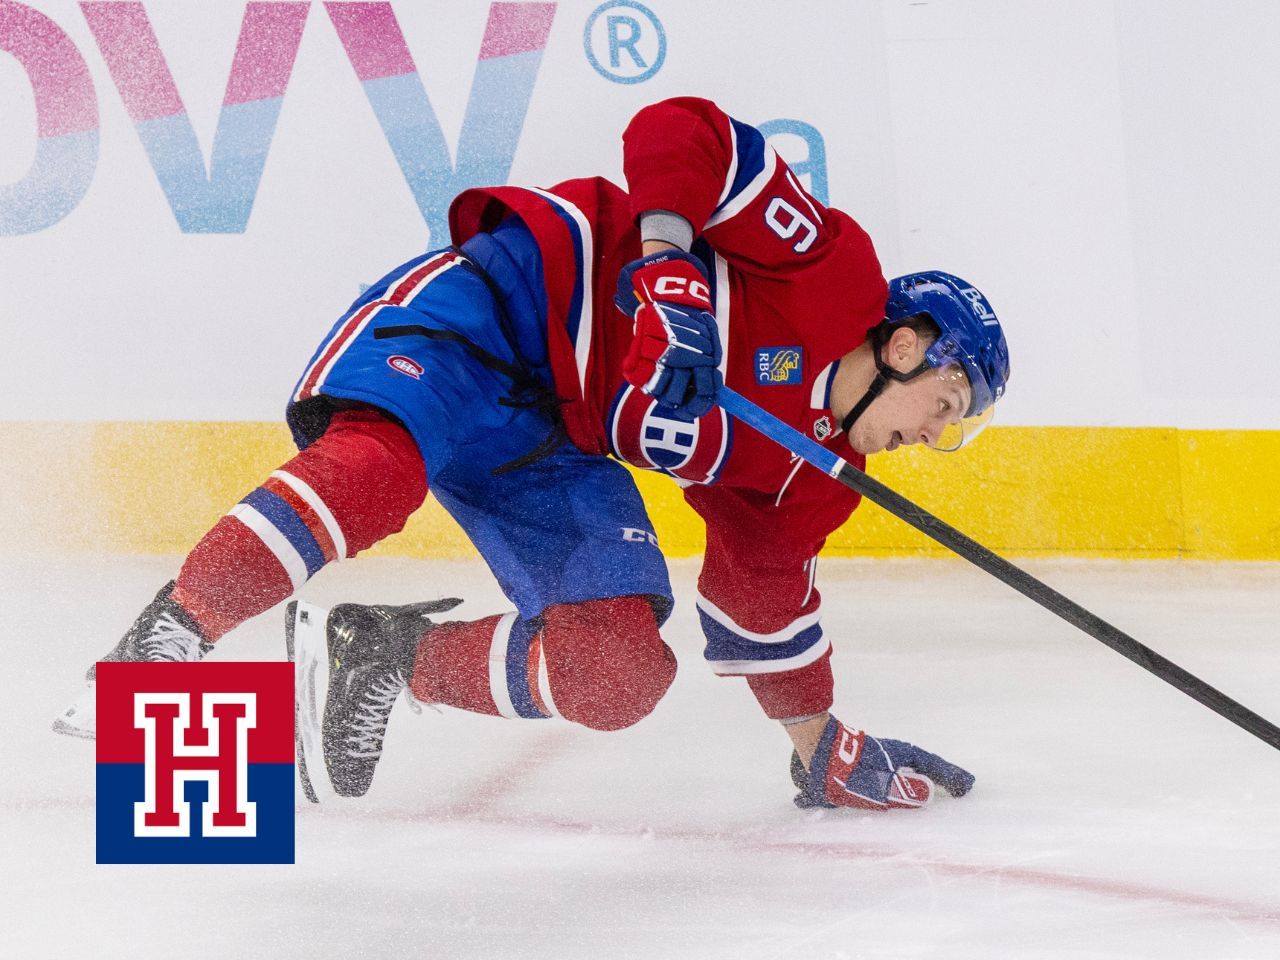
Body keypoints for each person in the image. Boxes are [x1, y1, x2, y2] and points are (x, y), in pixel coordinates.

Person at [55, 97, 1008, 812]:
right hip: (490, 313)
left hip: (553, 438)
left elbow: (761, 607)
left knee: (620, 671)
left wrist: (821, 750)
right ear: (908, 343)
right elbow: (683, 132)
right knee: (376, 473)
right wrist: (670, 266)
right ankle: (160, 650)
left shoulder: (814, 480)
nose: (935, 433)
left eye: (955, 426)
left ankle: (384, 656)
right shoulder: (830, 269)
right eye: (948, 402)